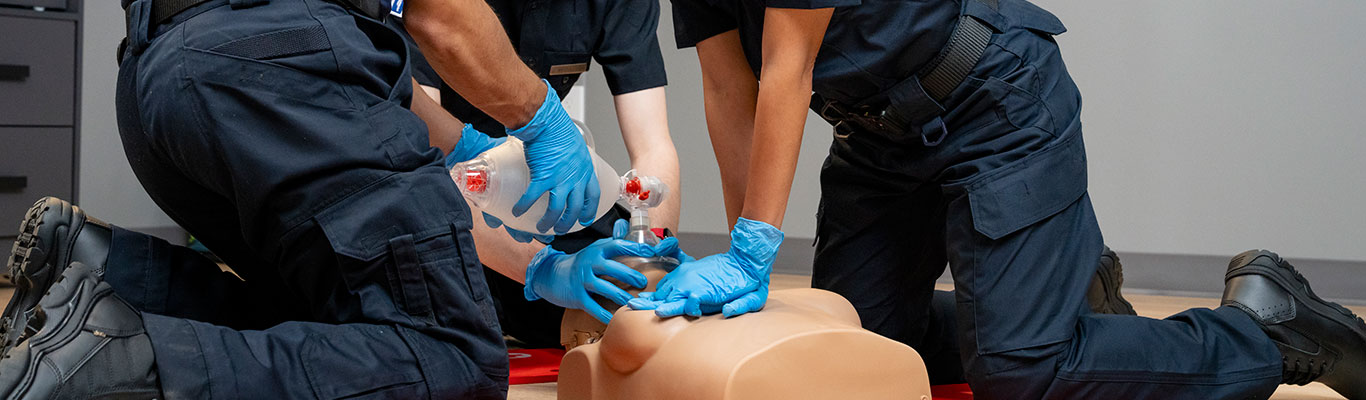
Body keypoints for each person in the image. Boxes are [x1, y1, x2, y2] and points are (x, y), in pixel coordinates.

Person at [629, 0, 1366, 398]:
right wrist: (739, 261)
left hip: (992, 100)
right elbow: (732, 88)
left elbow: (787, 68)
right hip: (876, 138)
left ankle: (1266, 333)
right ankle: (1061, 301)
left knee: (1020, 374)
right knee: (860, 353)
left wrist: (757, 246)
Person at [0, 0, 648, 398]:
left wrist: (478, 159)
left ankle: (108, 273)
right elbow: (441, 16)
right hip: (271, 61)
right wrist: (542, 120)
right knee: (449, 360)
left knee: (336, 319)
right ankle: (115, 361)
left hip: (162, 78)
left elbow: (401, 127)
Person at [384, 0, 682, 347]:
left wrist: (652, 256)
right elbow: (419, 156)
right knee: (446, 318)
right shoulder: (433, 10)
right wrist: (540, 267)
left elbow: (653, 146)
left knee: (614, 284)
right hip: (442, 187)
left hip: (538, 194)